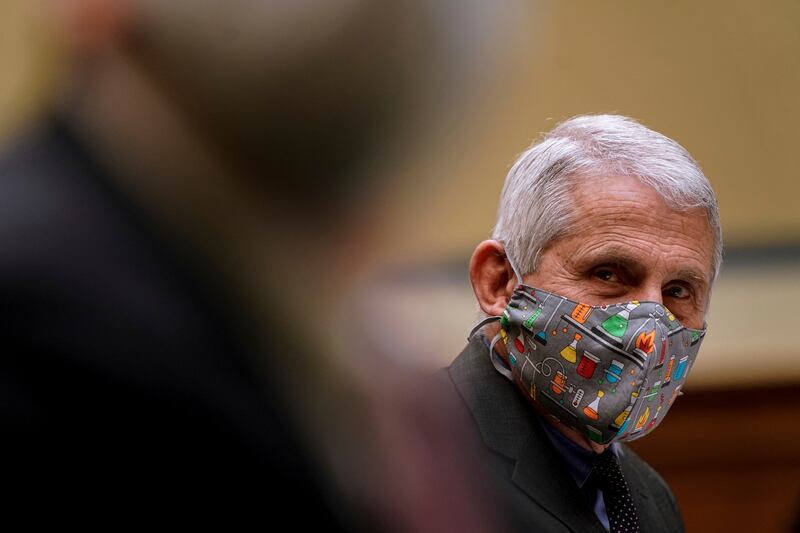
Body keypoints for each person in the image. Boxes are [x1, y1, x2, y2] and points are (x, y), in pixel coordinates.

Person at [437, 114, 721, 533]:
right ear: (499, 282)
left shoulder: (651, 499)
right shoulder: (414, 463)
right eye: (608, 273)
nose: (649, 328)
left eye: (677, 290)